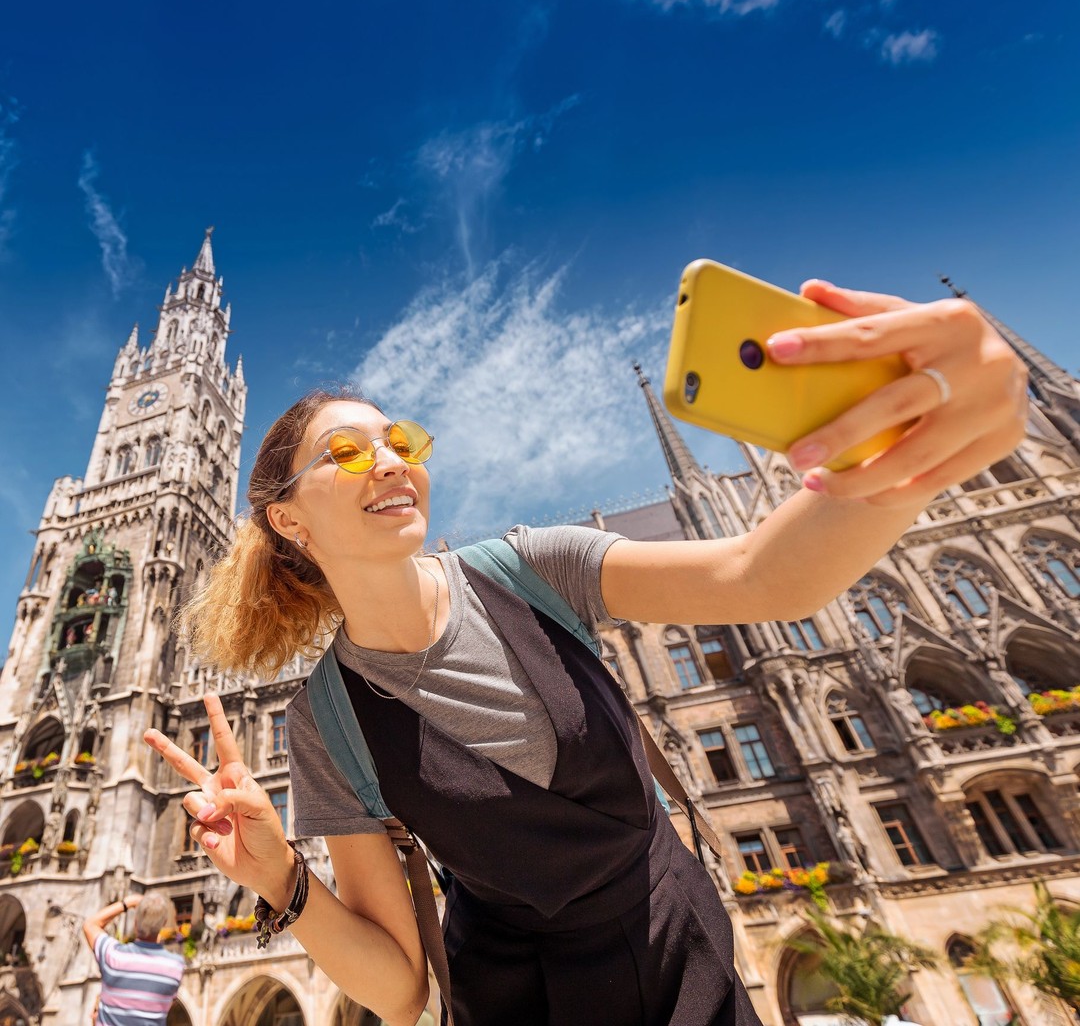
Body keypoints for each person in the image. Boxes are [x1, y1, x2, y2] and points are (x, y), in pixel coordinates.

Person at [144, 280, 1027, 1026]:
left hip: (688, 967)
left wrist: (916, 445)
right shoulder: (328, 720)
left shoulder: (534, 568)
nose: (388, 461)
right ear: (289, 520)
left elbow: (763, 576)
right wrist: (280, 877)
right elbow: (401, 991)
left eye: (401, 442)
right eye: (346, 452)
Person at [82, 891, 185, 1025]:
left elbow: (90, 925)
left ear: (135, 923)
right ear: (163, 924)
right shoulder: (175, 967)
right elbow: (167, 1002)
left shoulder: (113, 956)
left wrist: (128, 903)